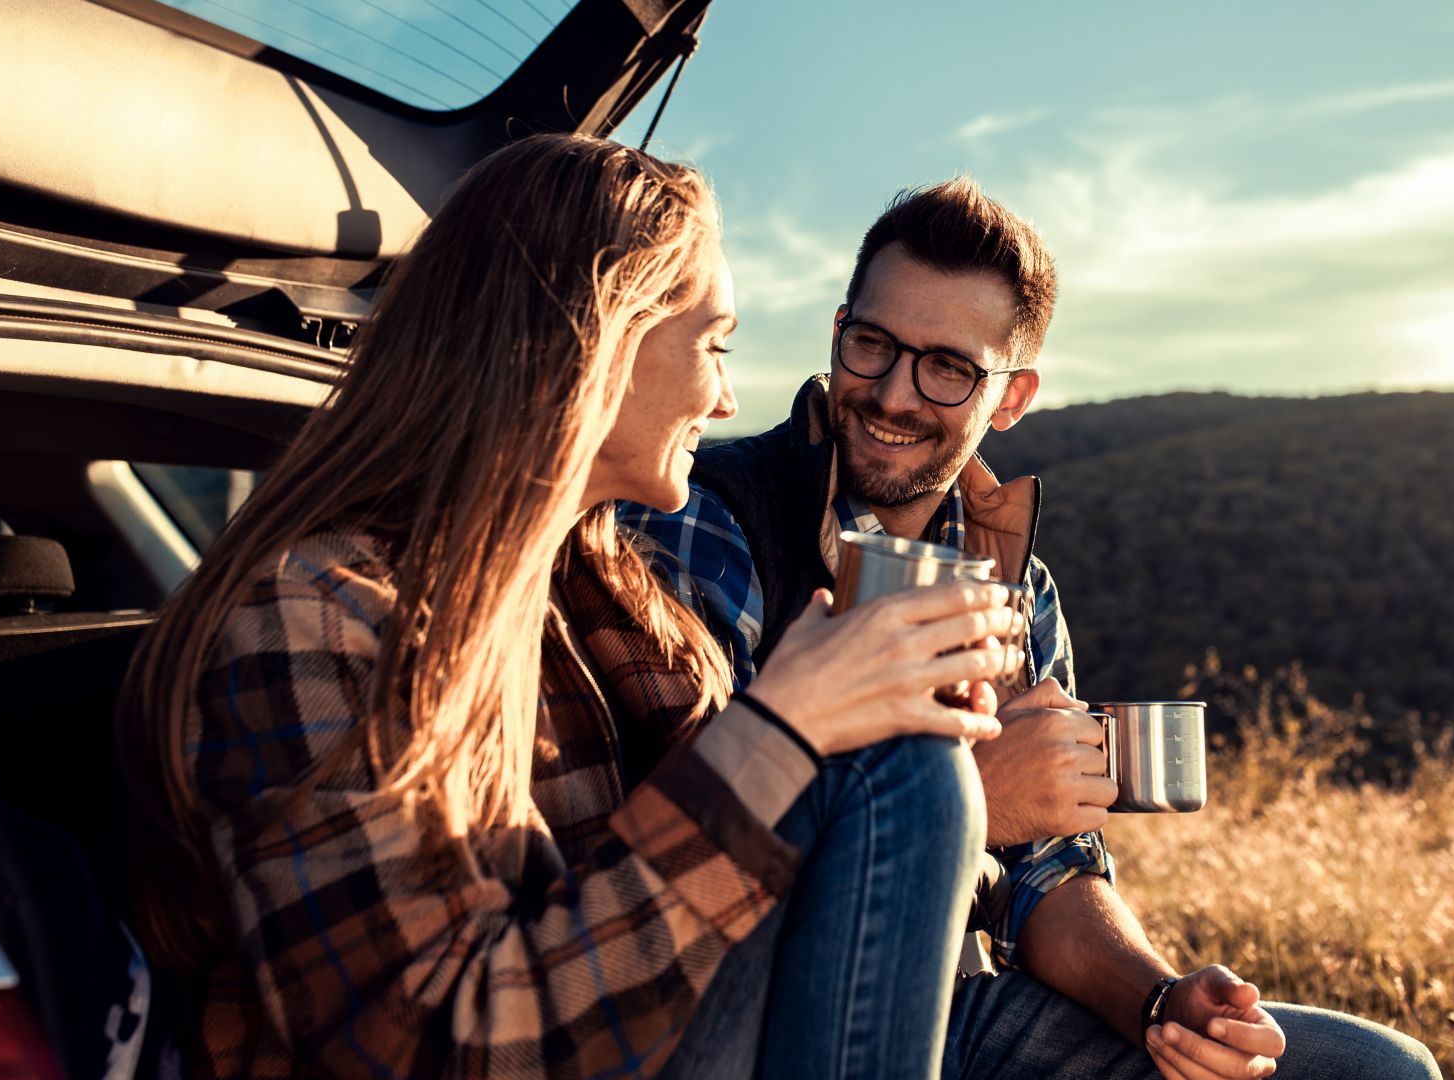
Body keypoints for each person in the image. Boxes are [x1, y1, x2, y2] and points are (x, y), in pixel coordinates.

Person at [115, 134, 1024, 1080]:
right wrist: (787, 724)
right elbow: (430, 1050)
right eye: (714, 346)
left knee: (907, 769)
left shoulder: (592, 584)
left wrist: (861, 713)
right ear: (596, 347)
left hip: (628, 1029)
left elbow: (760, 825)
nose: (725, 399)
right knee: (906, 779)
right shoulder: (314, 615)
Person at [622, 178, 1443, 1080]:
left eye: (948, 368)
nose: (894, 394)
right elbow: (673, 880)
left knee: (1380, 1069)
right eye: (872, 345)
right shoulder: (707, 520)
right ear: (837, 332)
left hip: (959, 1010)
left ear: (1011, 399)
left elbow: (1051, 868)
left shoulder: (1019, 583)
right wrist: (972, 799)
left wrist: (1160, 1003)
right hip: (760, 1024)